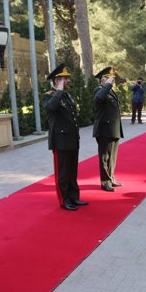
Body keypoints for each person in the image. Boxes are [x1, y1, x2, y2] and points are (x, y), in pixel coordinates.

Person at [42, 63, 87, 210]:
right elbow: (51, 108)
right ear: (57, 81)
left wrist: (62, 91)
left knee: (72, 171)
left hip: (72, 139)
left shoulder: (67, 95)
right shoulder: (48, 96)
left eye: (67, 78)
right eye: (65, 78)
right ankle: (64, 200)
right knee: (62, 172)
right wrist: (59, 91)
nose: (68, 80)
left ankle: (74, 197)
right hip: (60, 141)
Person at [93, 67, 124, 192]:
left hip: (113, 128)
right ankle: (105, 181)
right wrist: (107, 86)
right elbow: (99, 99)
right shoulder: (99, 90)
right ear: (102, 80)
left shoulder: (110, 91)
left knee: (112, 156)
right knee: (105, 156)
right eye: (110, 79)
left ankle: (111, 177)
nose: (113, 81)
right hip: (104, 129)